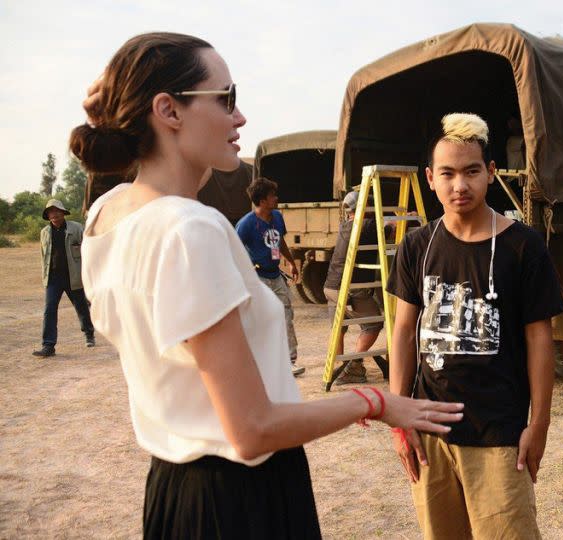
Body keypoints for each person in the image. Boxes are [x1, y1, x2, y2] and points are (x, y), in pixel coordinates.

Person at [72, 32, 462, 538]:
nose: (240, 118)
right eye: (226, 98)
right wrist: (376, 402)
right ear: (168, 111)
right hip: (240, 499)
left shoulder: (108, 213)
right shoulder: (190, 229)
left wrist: (110, 114)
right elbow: (252, 430)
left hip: (171, 491)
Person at [387, 113, 563, 539]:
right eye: (447, 173)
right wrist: (400, 416)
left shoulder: (523, 246)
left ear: (490, 173)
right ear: (431, 178)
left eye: (471, 172)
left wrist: (538, 425)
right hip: (429, 430)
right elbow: (404, 331)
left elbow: (540, 339)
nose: (459, 185)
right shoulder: (417, 245)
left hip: (499, 433)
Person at [235, 177, 303, 376]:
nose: (276, 198)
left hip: (276, 276)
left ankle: (290, 361)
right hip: (257, 277)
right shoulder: (246, 224)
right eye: (272, 195)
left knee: (286, 315)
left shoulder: (277, 217)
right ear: (262, 200)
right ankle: (257, 362)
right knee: (258, 319)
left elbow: (279, 241)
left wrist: (290, 262)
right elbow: (234, 249)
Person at [323, 189, 384, 384]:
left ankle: (337, 370)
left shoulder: (345, 225)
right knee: (373, 325)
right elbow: (389, 228)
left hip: (331, 286)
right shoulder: (366, 226)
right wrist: (404, 218)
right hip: (350, 288)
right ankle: (352, 368)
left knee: (338, 328)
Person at [33, 199, 95, 357]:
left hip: (73, 275)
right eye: (50, 212)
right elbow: (43, 256)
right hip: (53, 278)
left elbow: (87, 249)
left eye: (56, 211)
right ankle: (48, 345)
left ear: (63, 213)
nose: (53, 214)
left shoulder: (76, 228)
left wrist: (87, 274)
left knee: (81, 306)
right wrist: (45, 276)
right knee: (49, 309)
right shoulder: (45, 233)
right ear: (48, 216)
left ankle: (89, 333)